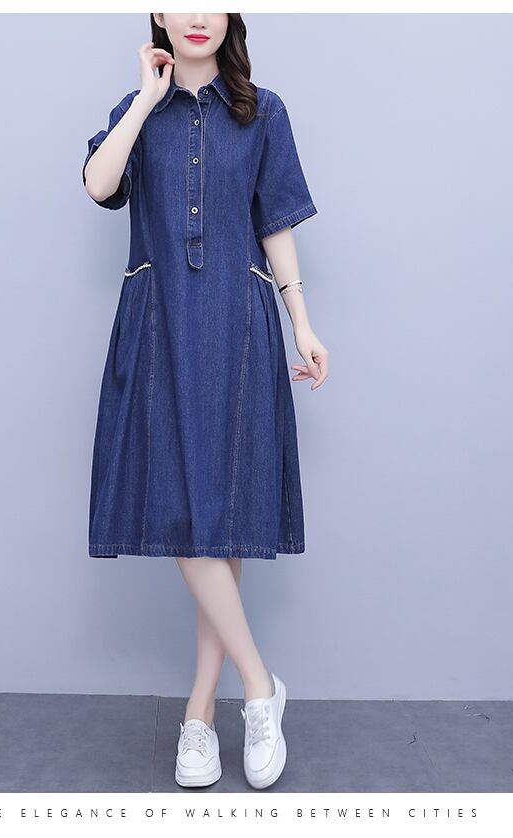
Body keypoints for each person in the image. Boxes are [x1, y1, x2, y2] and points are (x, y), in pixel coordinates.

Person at [82, 13, 328, 791]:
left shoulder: (264, 111)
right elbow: (99, 184)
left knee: (219, 517)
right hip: (158, 323)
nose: (196, 15)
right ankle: (258, 687)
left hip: (238, 322)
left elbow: (276, 222)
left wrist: (302, 323)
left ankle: (198, 717)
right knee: (185, 508)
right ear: (157, 14)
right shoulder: (137, 110)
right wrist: (144, 101)